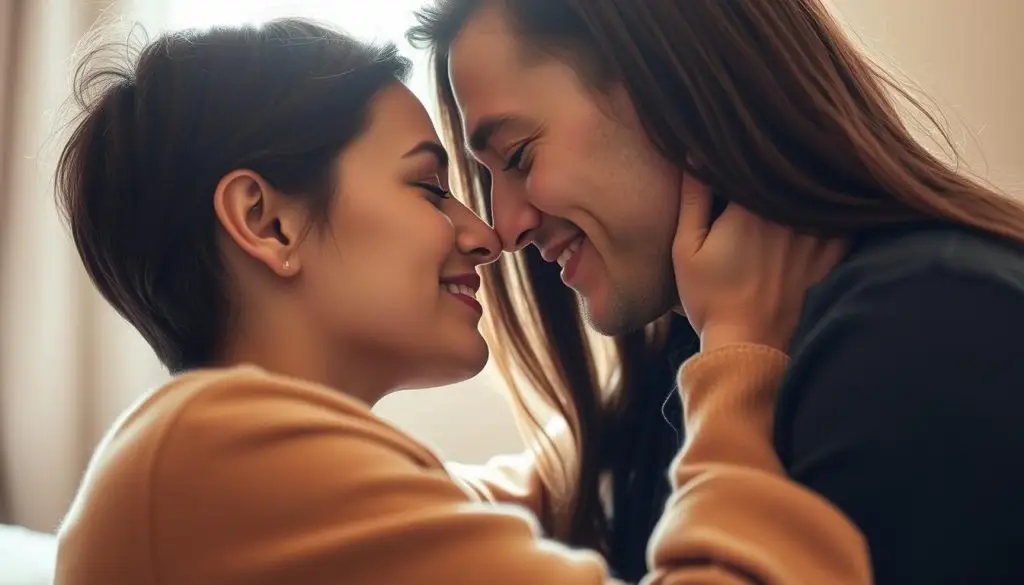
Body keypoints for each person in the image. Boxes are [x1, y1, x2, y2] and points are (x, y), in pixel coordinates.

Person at [50, 18, 868, 585]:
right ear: (265, 221)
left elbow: (514, 498)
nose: (486, 233)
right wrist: (738, 350)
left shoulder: (233, 479)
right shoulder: (213, 455)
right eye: (428, 186)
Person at [409, 0, 1024, 583]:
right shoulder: (673, 380)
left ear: (670, 86)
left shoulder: (934, 336)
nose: (506, 226)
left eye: (518, 155)